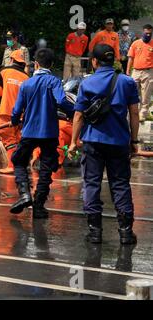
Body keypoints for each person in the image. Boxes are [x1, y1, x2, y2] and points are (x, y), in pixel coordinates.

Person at [68, 44, 140, 245]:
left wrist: (73, 142)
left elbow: (79, 115)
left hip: (92, 142)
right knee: (120, 185)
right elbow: (134, 113)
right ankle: (126, 232)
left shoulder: (87, 83)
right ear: (114, 60)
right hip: (119, 142)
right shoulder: (127, 82)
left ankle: (95, 232)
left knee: (91, 183)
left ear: (94, 61)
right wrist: (134, 140)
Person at [10, 48, 74, 219]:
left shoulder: (27, 84)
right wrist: (73, 112)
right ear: (51, 65)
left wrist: (14, 120)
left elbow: (17, 110)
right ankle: (38, 206)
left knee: (18, 160)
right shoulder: (54, 81)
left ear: (35, 64)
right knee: (46, 168)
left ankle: (24, 194)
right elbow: (61, 100)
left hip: (29, 131)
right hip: (49, 132)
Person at [0, 50, 29, 174]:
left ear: (12, 60)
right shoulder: (26, 77)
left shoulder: (4, 72)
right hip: (21, 115)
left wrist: (2, 105)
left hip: (6, 112)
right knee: (17, 138)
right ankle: (22, 163)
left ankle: (12, 166)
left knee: (9, 140)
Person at [127, 24, 153, 122]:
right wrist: (127, 71)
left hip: (148, 72)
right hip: (136, 71)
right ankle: (132, 112)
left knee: (145, 95)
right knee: (132, 93)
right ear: (143, 32)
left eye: (150, 33)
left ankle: (142, 115)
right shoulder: (135, 43)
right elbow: (130, 58)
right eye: (146, 33)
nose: (148, 35)